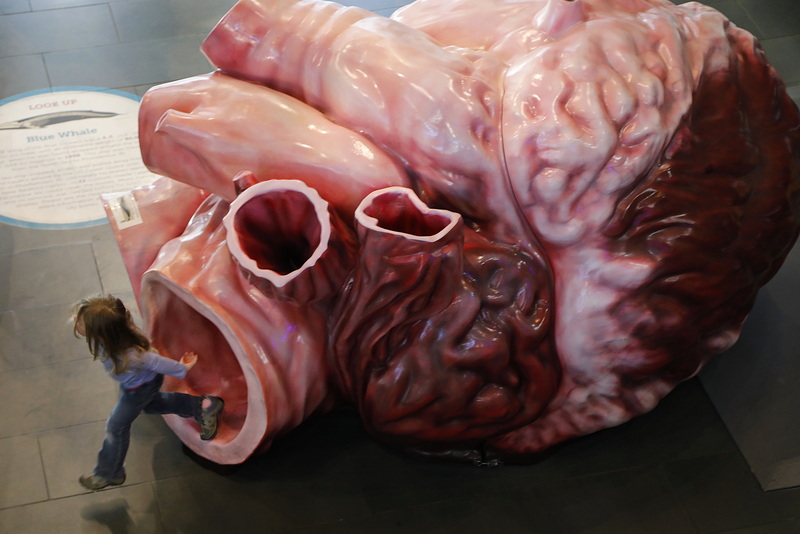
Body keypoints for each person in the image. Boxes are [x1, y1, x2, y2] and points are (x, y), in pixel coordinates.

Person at [72, 294, 224, 491]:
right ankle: (205, 407)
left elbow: (157, 362)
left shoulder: (133, 355)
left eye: (81, 323)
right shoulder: (111, 337)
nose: (76, 321)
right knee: (155, 404)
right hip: (135, 386)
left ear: (102, 335)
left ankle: (109, 472)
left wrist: (182, 368)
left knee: (116, 426)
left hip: (139, 389)